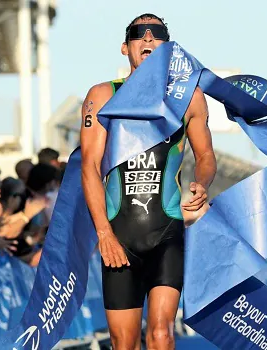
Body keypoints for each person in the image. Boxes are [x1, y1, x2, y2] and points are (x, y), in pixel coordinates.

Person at [80, 13, 216, 350]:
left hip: (166, 232)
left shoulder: (188, 98)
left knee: (160, 333)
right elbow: (89, 168)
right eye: (140, 35)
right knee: (123, 343)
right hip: (119, 237)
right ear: (125, 48)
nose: (149, 41)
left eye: (157, 36)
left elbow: (206, 156)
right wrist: (104, 233)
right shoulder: (102, 96)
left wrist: (201, 182)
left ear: (168, 48)